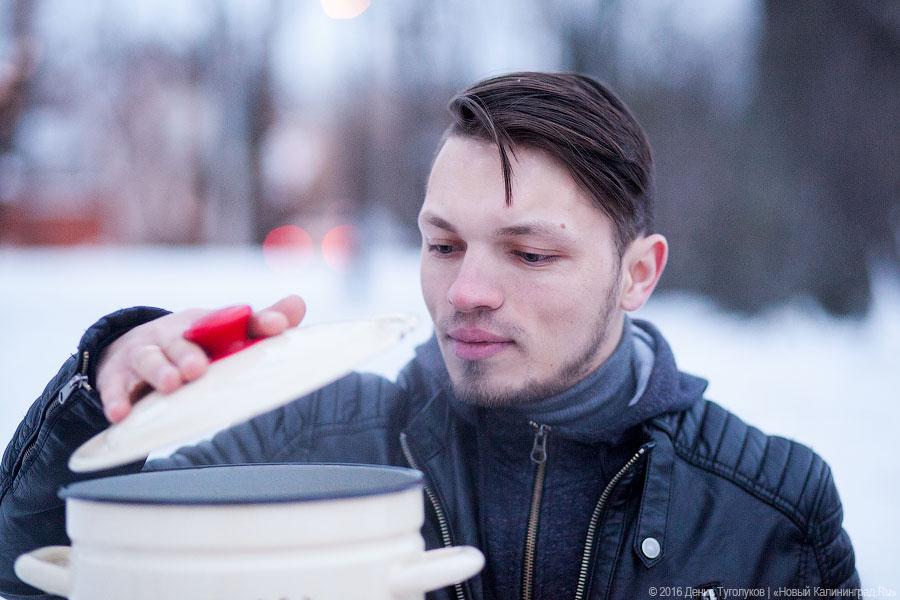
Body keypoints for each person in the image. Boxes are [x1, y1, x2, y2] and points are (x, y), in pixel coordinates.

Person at [0, 72, 859, 600]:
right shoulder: (309, 437)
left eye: (529, 253)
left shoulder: (769, 510)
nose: (467, 293)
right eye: (443, 245)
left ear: (638, 273)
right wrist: (103, 392)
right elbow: (43, 570)